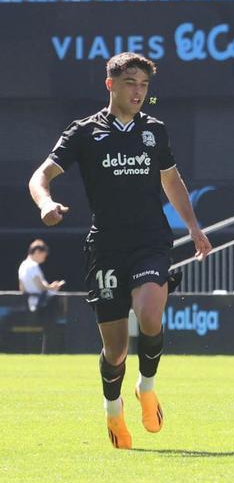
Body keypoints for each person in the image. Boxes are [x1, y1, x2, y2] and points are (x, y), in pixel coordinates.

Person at [27, 52, 212, 449]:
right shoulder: (84, 132)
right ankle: (113, 409)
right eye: (131, 83)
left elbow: (172, 180)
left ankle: (147, 387)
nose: (138, 91)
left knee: (149, 314)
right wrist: (45, 203)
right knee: (115, 349)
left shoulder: (154, 131)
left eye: (144, 85)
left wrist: (194, 227)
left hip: (150, 242)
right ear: (110, 84)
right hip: (106, 248)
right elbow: (39, 176)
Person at [18, 239, 65, 312]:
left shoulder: (22, 265)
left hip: (29, 305)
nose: (44, 259)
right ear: (37, 252)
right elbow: (40, 287)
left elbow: (22, 289)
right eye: (44, 256)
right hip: (42, 305)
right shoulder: (33, 266)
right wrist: (53, 287)